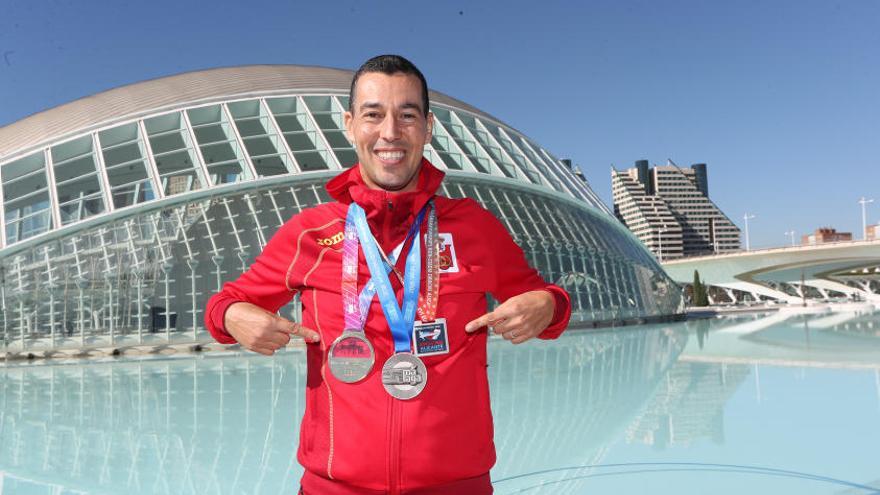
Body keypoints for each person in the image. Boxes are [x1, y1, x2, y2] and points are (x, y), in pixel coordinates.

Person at [205, 54, 571, 495]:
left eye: (407, 115)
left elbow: (548, 301)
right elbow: (224, 303)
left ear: (428, 127)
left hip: (457, 486)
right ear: (350, 124)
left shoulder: (474, 227)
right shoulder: (310, 232)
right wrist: (233, 317)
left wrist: (547, 304)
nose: (390, 132)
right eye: (373, 115)